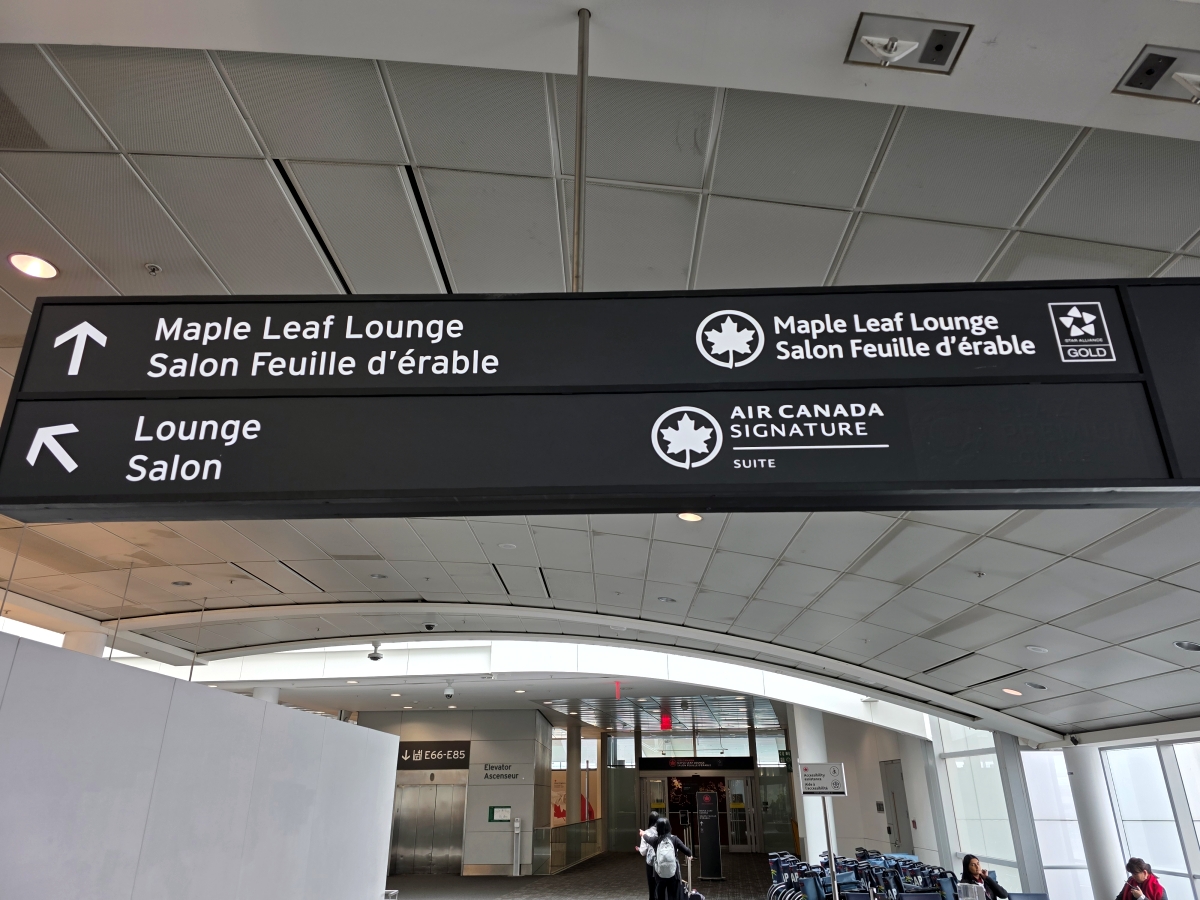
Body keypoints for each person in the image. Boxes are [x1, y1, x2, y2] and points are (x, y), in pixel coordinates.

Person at [647, 816, 692, 900]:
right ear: (669, 827)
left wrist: (642, 834)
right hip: (673, 873)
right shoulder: (674, 839)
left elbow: (647, 838)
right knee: (672, 895)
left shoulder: (656, 840)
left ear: (658, 828)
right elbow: (688, 851)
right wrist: (690, 855)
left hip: (659, 873)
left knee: (660, 895)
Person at [636, 813, 660, 900]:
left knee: (652, 887)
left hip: (651, 863)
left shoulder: (645, 833)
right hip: (662, 862)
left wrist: (639, 849)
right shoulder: (662, 832)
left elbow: (643, 852)